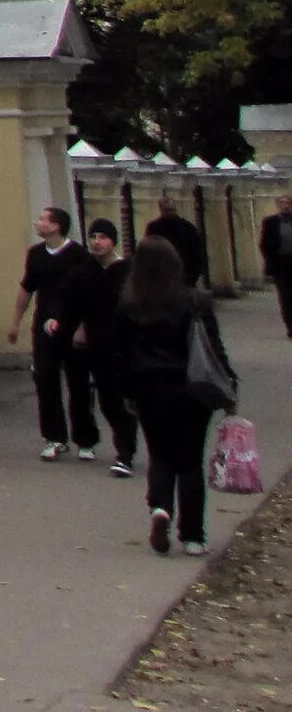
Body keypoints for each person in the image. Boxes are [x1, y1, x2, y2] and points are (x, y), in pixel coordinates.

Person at [117, 233, 234, 557]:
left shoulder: (130, 304)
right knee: (190, 461)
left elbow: (121, 355)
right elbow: (213, 348)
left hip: (149, 390)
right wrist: (229, 386)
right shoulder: (194, 300)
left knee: (160, 455)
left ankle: (160, 509)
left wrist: (128, 392)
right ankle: (193, 536)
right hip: (192, 389)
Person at [7, 205, 101, 460]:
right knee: (46, 380)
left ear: (55, 226)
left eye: (41, 219)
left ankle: (85, 439)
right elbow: (27, 289)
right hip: (44, 328)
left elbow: (91, 296)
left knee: (79, 384)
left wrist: (84, 327)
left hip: (73, 328)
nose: (37, 223)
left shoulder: (79, 255)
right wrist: (15, 322)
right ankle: (54, 437)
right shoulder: (36, 255)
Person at [78, 218, 140, 480]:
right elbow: (80, 302)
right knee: (107, 401)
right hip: (96, 344)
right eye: (93, 236)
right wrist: (80, 328)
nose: (96, 242)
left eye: (103, 237)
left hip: (124, 346)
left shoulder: (126, 270)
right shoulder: (88, 270)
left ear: (113, 241)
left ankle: (125, 453)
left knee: (124, 398)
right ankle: (124, 444)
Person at [146, 200, 210, 289]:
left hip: (186, 273)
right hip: (163, 274)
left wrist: (195, 272)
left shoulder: (188, 228)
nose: (170, 213)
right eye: (167, 210)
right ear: (161, 210)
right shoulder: (154, 228)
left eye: (171, 210)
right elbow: (149, 250)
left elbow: (197, 251)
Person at [261, 189, 292, 341]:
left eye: (288, 202)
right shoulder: (270, 222)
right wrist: (270, 264)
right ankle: (290, 326)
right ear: (278, 205)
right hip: (280, 264)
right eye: (282, 203)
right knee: (285, 297)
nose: (285, 205)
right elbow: (265, 244)